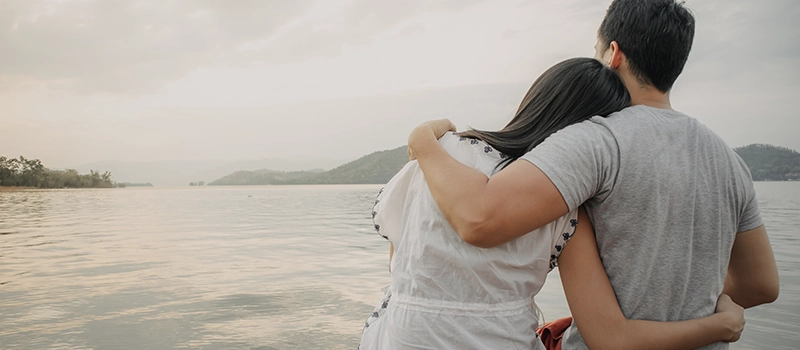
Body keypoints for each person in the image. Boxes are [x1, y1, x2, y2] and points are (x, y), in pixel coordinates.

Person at [406, 0, 780, 349]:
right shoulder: (729, 160)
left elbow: (479, 218)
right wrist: (693, 309)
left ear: (613, 55)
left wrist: (422, 140)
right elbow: (760, 284)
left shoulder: (597, 140)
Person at [359, 58, 745, 350]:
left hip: (401, 335)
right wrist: (719, 325)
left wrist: (424, 139)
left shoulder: (440, 156)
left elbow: (399, 259)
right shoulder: (565, 207)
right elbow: (608, 335)